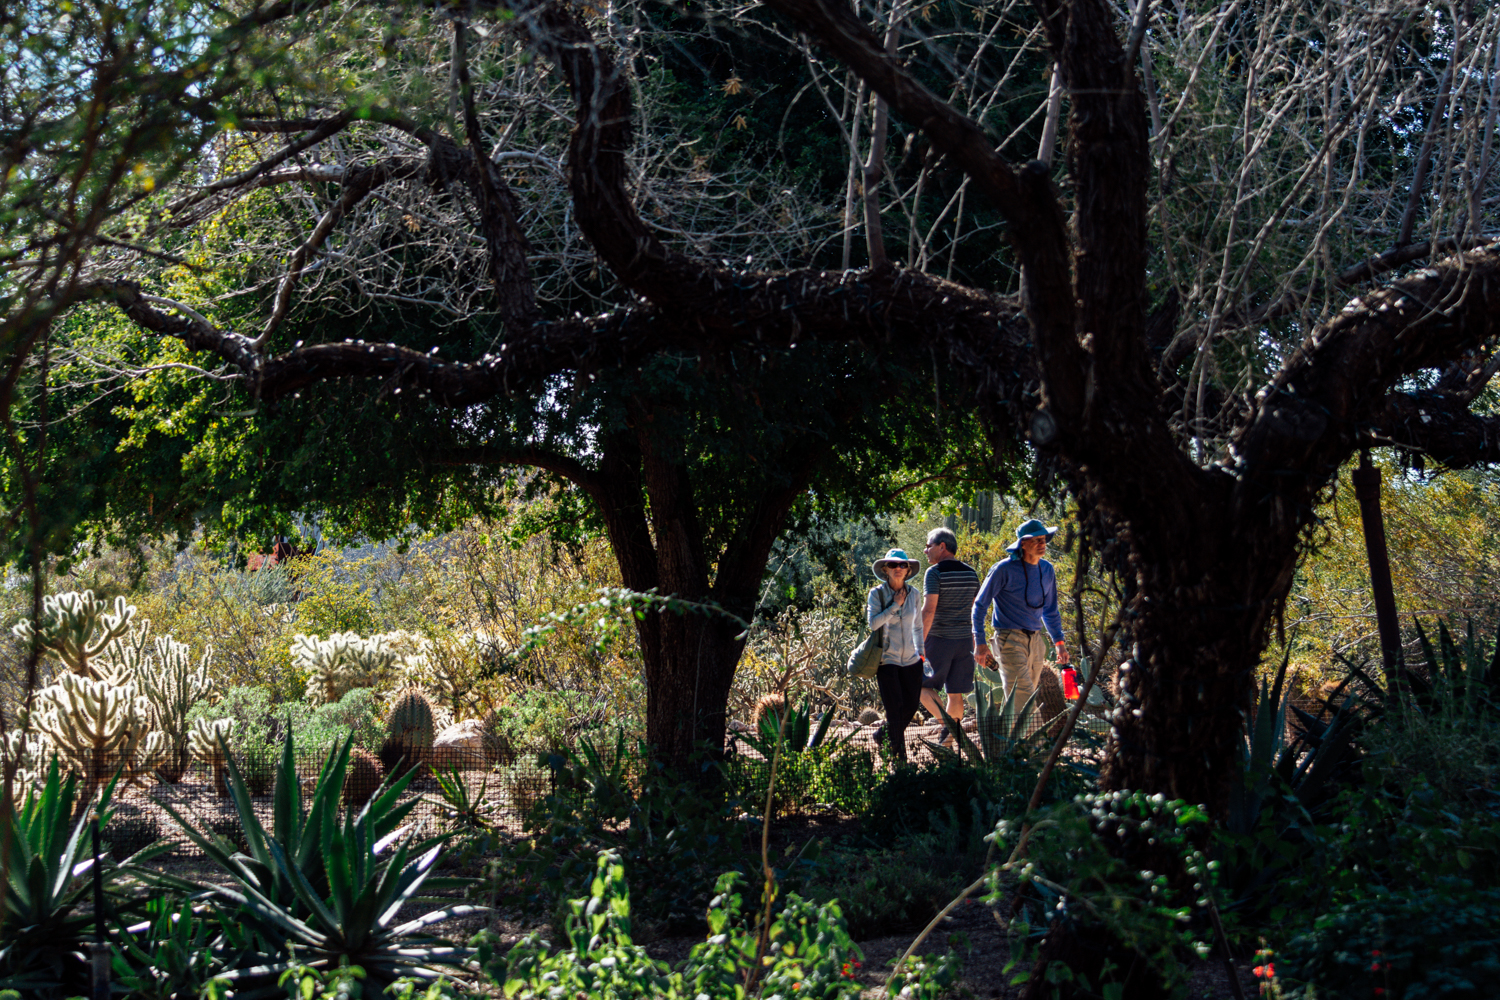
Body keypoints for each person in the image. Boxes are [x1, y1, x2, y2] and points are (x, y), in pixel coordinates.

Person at [972, 519, 1069, 734]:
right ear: (1022, 544)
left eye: (1044, 539)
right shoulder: (1003, 570)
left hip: (1036, 641)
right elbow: (979, 606)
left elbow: (1051, 611)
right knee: (1023, 696)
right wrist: (979, 643)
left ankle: (1009, 753)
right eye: (1036, 540)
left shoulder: (1047, 570)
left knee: (1019, 699)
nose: (1042, 544)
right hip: (1009, 639)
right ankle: (1037, 754)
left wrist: (1059, 643)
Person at [920, 527, 980, 739]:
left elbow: (929, 611)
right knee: (955, 694)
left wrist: (917, 641)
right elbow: (976, 612)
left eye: (929, 546)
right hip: (965, 642)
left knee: (920, 687)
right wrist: (976, 642)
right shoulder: (972, 573)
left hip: (939, 640)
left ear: (942, 546)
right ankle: (948, 744)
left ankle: (949, 727)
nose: (925, 550)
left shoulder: (934, 573)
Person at [867, 548, 925, 763]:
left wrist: (921, 653)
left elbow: (918, 627)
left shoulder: (915, 594)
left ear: (908, 570)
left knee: (910, 708)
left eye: (902, 565)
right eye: (893, 565)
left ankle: (882, 735)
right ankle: (899, 759)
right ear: (885, 569)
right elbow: (873, 624)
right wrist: (895, 606)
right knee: (895, 709)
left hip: (912, 661)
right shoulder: (877, 594)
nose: (898, 568)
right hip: (887, 661)